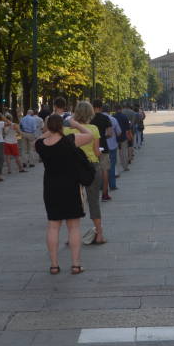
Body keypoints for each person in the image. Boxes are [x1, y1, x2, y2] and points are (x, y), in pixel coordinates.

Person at [36, 113, 94, 275]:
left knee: (53, 226)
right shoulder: (70, 140)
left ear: (48, 127)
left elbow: (39, 138)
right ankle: (76, 265)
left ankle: (54, 265)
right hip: (69, 186)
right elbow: (89, 135)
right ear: (62, 126)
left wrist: (50, 130)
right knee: (73, 226)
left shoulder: (40, 145)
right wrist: (75, 124)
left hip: (50, 187)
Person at [65, 101, 104, 244]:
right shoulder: (93, 129)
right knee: (94, 201)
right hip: (91, 167)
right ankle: (99, 234)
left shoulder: (67, 130)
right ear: (90, 113)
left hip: (72, 169)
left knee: (73, 203)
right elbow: (96, 152)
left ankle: (71, 237)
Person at [91, 101, 114, 201]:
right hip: (103, 146)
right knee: (105, 170)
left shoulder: (89, 118)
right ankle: (105, 194)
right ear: (101, 108)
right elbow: (110, 133)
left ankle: (91, 194)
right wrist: (103, 137)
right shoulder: (105, 118)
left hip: (91, 147)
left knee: (92, 170)